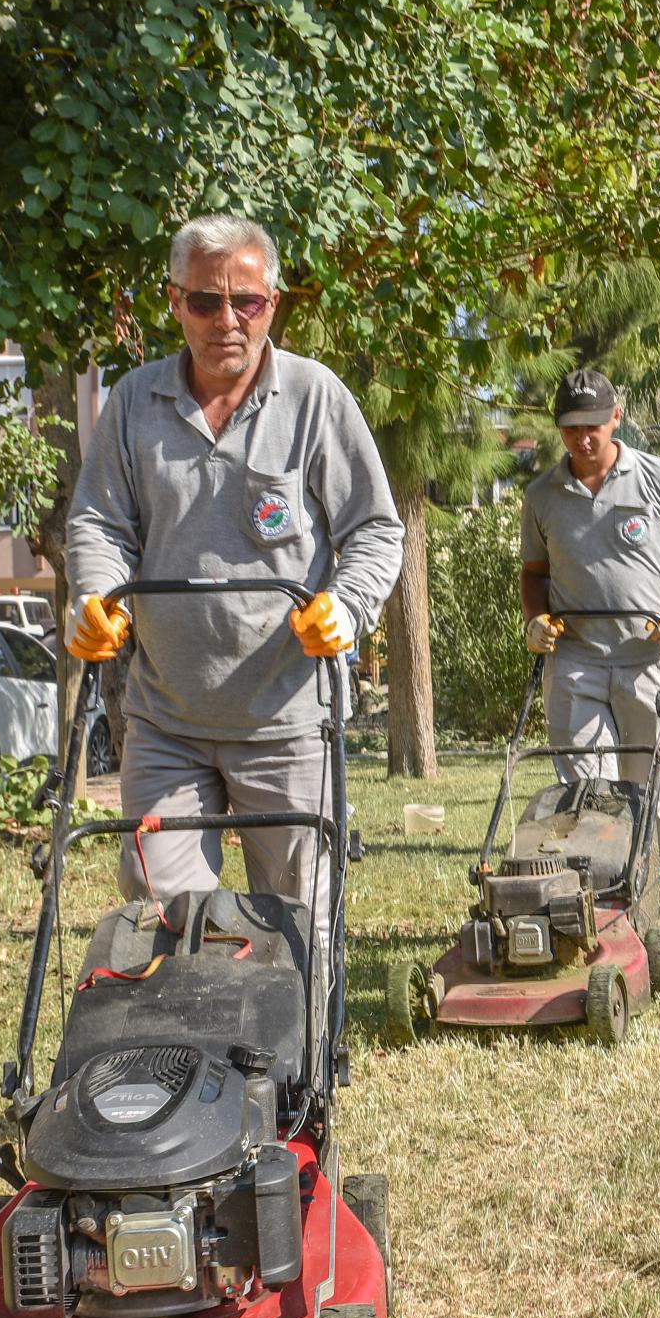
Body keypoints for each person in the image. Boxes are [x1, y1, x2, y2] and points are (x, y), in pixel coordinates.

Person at [65, 213, 404, 920]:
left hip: (288, 719)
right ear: (174, 302)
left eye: (245, 301)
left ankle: (304, 1034)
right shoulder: (133, 403)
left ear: (271, 303)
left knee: (299, 915)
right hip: (167, 719)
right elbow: (98, 523)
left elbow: (374, 530)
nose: (227, 319)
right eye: (205, 301)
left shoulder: (315, 399)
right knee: (164, 908)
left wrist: (344, 605)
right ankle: (192, 1032)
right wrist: (98, 597)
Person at [518, 368, 660, 785]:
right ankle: (597, 854)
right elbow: (534, 572)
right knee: (589, 794)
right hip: (575, 660)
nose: (583, 437)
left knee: (653, 791)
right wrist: (534, 618)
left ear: (616, 417)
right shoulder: (541, 496)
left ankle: (652, 855)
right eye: (570, 428)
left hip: (649, 658)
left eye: (592, 425)